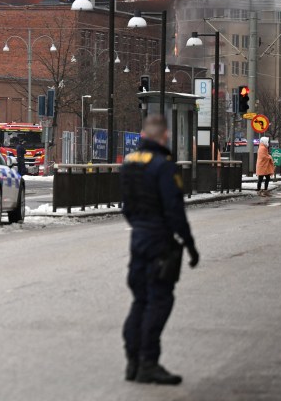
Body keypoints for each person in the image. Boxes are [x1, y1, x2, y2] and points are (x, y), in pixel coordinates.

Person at [120, 115, 198, 386]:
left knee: (140, 299)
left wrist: (139, 226)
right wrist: (189, 244)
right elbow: (174, 210)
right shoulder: (164, 167)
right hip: (159, 240)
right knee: (160, 299)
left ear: (143, 134)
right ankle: (149, 363)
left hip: (138, 237)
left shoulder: (129, 163)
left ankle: (133, 361)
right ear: (164, 136)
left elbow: (126, 206)